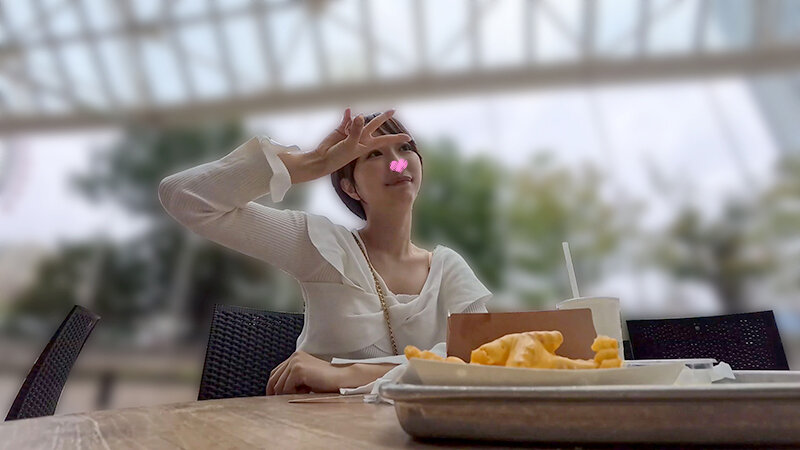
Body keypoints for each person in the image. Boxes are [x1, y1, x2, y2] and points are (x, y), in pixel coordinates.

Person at [158, 109, 492, 395]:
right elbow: (184, 197)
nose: (396, 163)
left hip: (425, 434)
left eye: (405, 148)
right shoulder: (323, 246)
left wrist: (349, 374)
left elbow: (480, 362)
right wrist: (314, 162)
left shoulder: (449, 270)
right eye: (374, 154)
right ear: (350, 186)